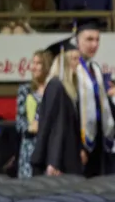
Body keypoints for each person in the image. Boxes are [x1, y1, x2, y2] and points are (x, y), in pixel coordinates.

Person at [74, 18, 115, 176]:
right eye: (89, 39)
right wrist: (77, 146)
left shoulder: (95, 68)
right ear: (77, 41)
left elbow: (103, 103)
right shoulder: (72, 71)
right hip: (79, 140)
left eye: (97, 40)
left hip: (98, 140)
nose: (94, 44)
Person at [32, 36, 86, 176]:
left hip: (68, 155)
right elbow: (54, 125)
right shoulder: (56, 86)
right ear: (63, 62)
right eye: (74, 59)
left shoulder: (70, 89)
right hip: (59, 161)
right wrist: (53, 161)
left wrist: (80, 148)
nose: (78, 63)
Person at [15, 49, 51, 178]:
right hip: (30, 146)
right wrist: (29, 127)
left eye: (38, 63)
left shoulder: (54, 89)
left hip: (49, 146)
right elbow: (19, 122)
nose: (33, 67)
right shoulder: (25, 90)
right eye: (33, 63)